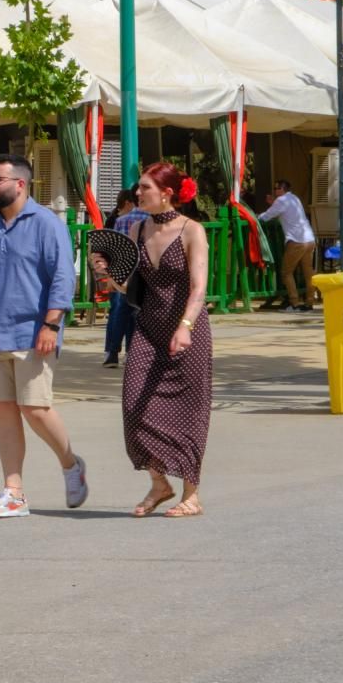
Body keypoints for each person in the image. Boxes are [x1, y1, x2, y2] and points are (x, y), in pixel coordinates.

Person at [0, 154, 88, 518]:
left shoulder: (46, 224)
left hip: (34, 333)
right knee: (4, 411)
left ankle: (71, 463)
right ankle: (14, 492)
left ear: (20, 184)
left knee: (35, 409)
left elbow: (62, 277)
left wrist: (51, 324)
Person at [91, 161, 212, 518]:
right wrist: (109, 274)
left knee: (189, 414)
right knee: (132, 404)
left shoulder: (192, 230)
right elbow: (133, 289)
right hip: (147, 328)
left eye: (145, 187)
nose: (138, 193)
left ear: (167, 193)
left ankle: (191, 494)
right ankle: (159, 482)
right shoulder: (139, 228)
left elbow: (199, 287)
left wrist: (185, 326)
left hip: (187, 331)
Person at [102, 188, 150, 368]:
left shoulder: (120, 220)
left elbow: (115, 249)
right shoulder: (150, 221)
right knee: (136, 313)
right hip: (143, 273)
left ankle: (111, 352)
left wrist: (111, 275)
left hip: (122, 272)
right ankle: (132, 353)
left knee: (118, 313)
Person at [257, 179, 316, 311]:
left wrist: (255, 217)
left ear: (283, 190)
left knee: (286, 272)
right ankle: (309, 301)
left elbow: (267, 216)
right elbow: (283, 211)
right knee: (308, 272)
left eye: (277, 189)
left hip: (296, 241)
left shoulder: (281, 200)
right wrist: (274, 204)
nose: (275, 191)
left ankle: (293, 303)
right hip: (309, 239)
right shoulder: (294, 198)